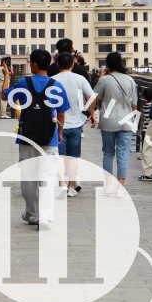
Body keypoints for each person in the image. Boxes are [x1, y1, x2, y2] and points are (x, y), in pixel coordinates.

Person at [7, 48, 69, 229]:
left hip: (27, 136)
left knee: (28, 176)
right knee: (48, 177)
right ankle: (45, 217)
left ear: (33, 64)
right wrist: (59, 132)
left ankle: (32, 213)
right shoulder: (56, 85)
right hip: (49, 137)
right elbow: (61, 112)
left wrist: (5, 76)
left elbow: (5, 96)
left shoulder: (23, 83)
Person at [88, 52, 140, 194]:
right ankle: (121, 183)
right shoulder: (130, 80)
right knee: (123, 153)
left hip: (108, 121)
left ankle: (108, 183)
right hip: (126, 121)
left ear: (108, 64)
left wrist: (92, 114)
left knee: (108, 153)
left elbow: (93, 99)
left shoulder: (104, 80)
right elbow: (134, 105)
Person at [51, 51, 94, 197]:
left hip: (58, 125)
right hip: (76, 124)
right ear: (72, 64)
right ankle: (70, 187)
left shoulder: (53, 80)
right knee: (73, 157)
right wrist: (90, 113)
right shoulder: (80, 79)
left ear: (57, 64)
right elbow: (91, 97)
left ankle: (60, 185)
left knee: (59, 158)